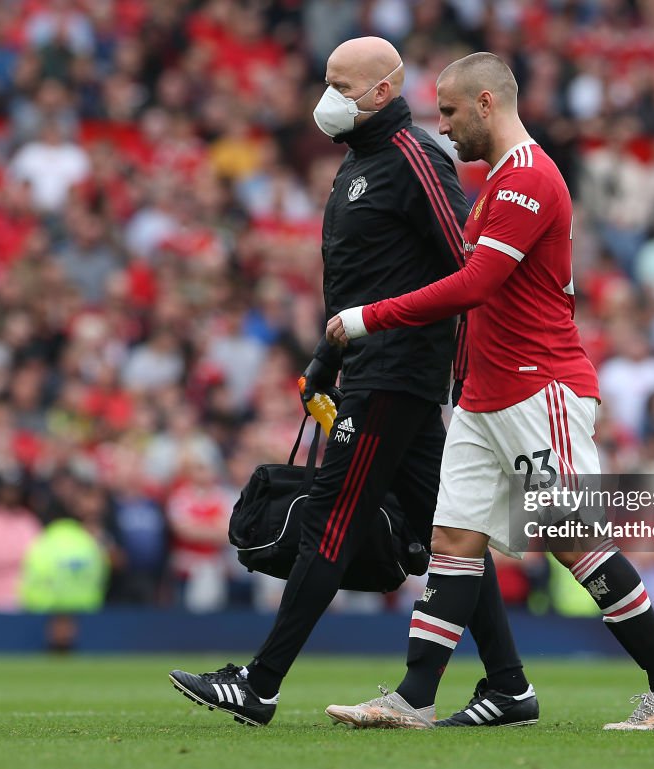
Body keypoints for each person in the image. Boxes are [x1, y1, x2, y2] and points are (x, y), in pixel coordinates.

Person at [324, 52, 654, 731]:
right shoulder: (501, 179)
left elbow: (474, 287)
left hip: (539, 386)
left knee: (568, 536)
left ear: (486, 104)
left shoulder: (530, 178)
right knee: (453, 539)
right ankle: (414, 696)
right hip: (483, 395)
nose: (442, 126)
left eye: (448, 111)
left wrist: (369, 316)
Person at [167, 37, 533, 728]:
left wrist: (435, 357)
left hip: (396, 373)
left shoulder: (416, 157)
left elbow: (468, 264)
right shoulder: (360, 164)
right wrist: (324, 362)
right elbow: (357, 286)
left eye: (341, 84)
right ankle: (510, 686)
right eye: (327, 81)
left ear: (382, 92)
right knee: (448, 534)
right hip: (377, 370)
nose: (328, 96)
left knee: (333, 520)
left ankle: (261, 683)